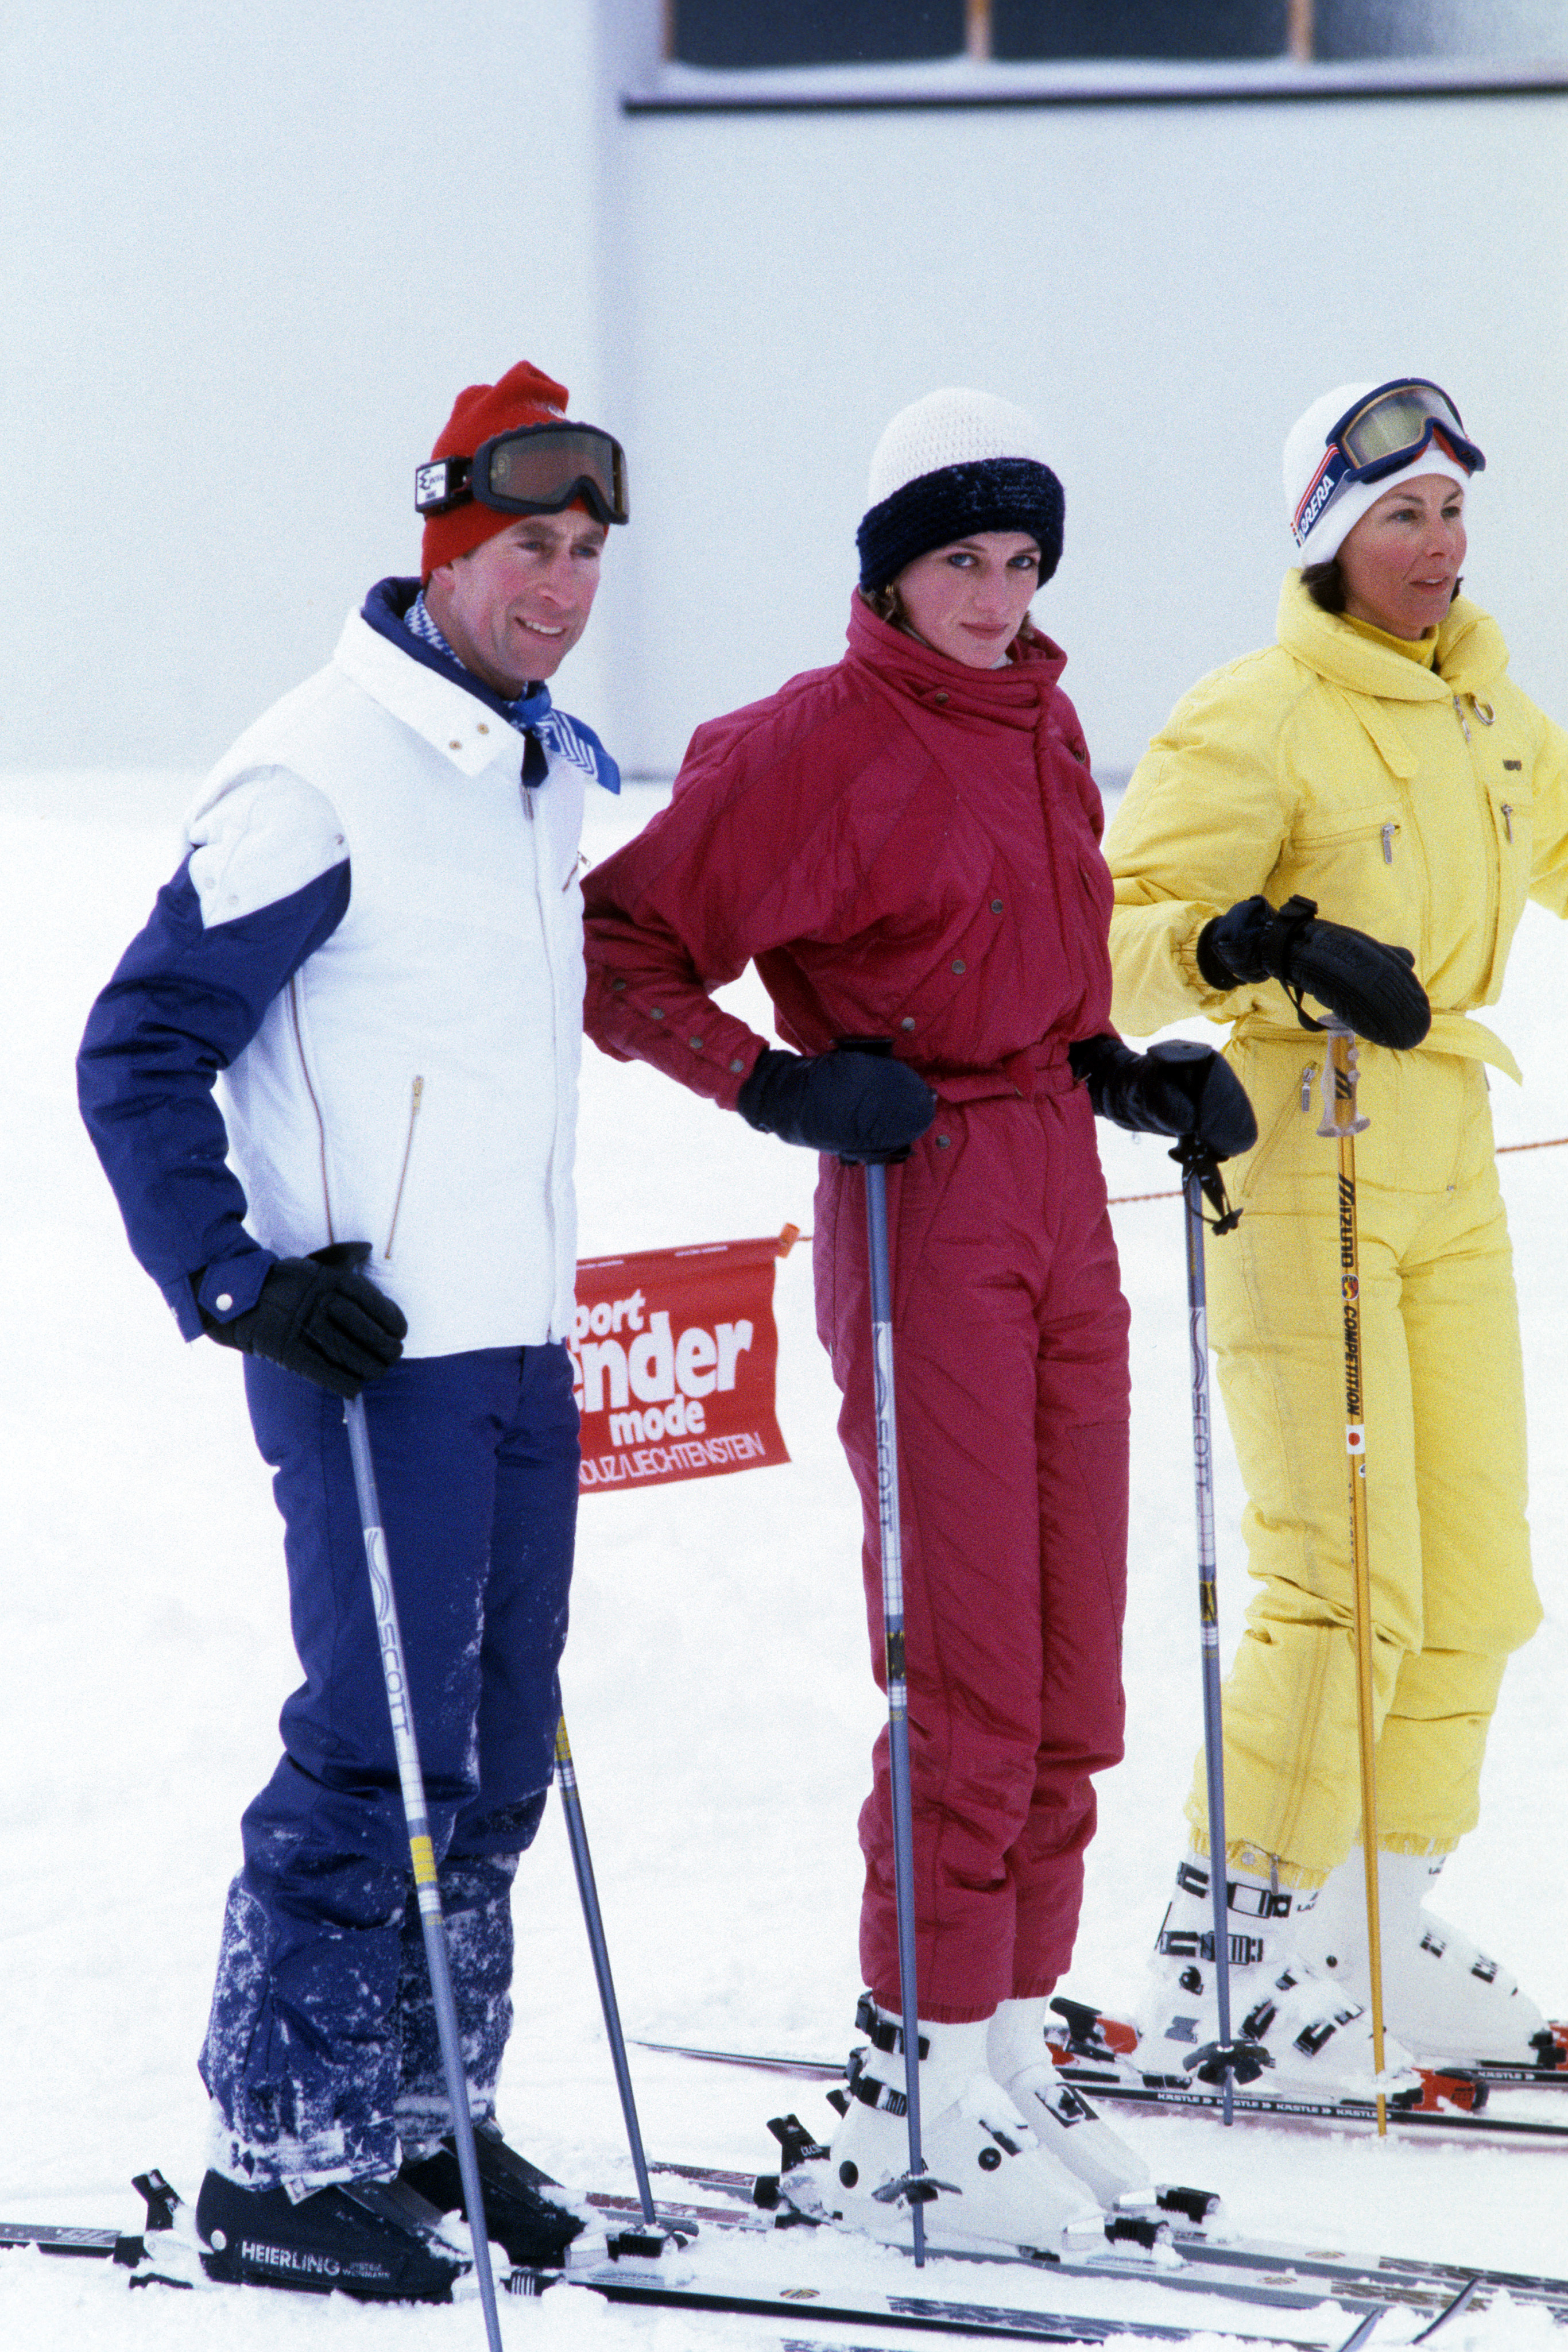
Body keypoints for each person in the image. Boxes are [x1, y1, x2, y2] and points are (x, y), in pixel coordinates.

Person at [580, 388, 1255, 2252]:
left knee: (1070, 1669)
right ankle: (915, 2080)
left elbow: (1032, 959)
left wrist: (1116, 1063)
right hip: (921, 1195)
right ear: (889, 566)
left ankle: (1006, 2051)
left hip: (1051, 1178)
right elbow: (618, 947)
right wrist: (773, 1085)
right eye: (961, 558)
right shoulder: (807, 743)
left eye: (1020, 560)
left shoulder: (1040, 719)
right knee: (965, 1662)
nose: (994, 592)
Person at [78, 361, 628, 2299]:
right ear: (445, 552)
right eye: (523, 548)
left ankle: (414, 2113)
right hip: (370, 1346)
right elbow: (139, 1042)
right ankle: (279, 2153)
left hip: (518, 1341)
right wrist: (240, 1281)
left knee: (494, 1744)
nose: (558, 585)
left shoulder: (537, 766)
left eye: (583, 552)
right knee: (375, 1746)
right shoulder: (321, 771)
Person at [1104, 377, 1568, 2094]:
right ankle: (1232, 1951)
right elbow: (1112, 937)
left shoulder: (1491, 712)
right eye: (1398, 517)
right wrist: (1260, 941)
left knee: (1480, 1585)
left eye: (1451, 512)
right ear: (1324, 533)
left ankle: (1369, 1920)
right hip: (1306, 1147)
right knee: (1340, 1583)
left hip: (1446, 1142)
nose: (1435, 547)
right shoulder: (1258, 715)